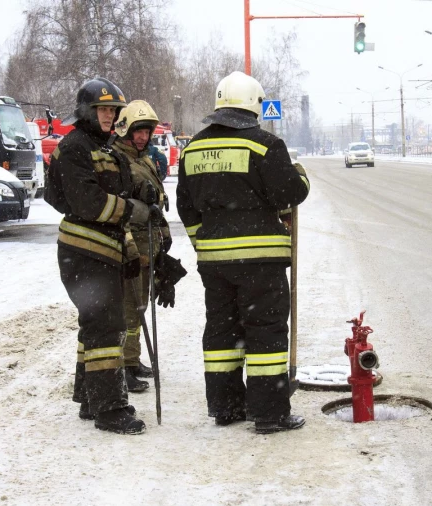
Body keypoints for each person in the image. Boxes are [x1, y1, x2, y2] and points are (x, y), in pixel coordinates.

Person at [176, 71, 310, 434]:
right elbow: (289, 194)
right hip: (260, 261)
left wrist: (203, 243)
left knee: (222, 332)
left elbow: (186, 208)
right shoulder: (266, 145)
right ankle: (269, 413)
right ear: (254, 106)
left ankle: (226, 407)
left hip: (215, 263)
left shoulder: (192, 149)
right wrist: (301, 177)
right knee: (265, 331)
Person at [44, 77, 151, 435]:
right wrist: (131, 210)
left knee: (95, 326)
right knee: (107, 327)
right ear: (87, 111)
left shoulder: (105, 148)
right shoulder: (75, 147)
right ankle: (110, 409)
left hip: (105, 253)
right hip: (84, 254)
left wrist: (140, 191)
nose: (109, 116)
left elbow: (117, 189)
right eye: (104, 110)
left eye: (113, 111)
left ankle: (91, 398)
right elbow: (88, 202)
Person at [112, 100, 174, 393]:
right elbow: (117, 210)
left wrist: (164, 236)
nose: (142, 137)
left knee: (139, 308)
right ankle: (121, 368)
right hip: (129, 250)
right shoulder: (117, 160)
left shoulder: (145, 160)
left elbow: (155, 205)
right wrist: (129, 249)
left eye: (147, 132)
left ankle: (133, 360)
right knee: (127, 310)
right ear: (125, 128)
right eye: (138, 131)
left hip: (148, 247)